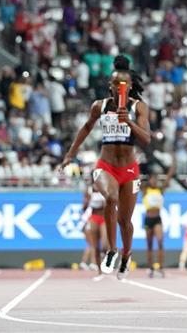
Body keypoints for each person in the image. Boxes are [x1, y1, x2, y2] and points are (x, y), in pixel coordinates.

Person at [57, 55, 151, 280]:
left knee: (125, 221)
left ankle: (126, 255)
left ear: (129, 87)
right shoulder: (99, 106)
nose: (119, 88)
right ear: (110, 86)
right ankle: (112, 249)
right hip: (105, 165)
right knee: (110, 197)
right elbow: (85, 128)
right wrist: (70, 154)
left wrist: (128, 121)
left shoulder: (138, 107)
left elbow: (146, 138)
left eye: (123, 85)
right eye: (115, 84)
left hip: (129, 169)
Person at [80, 182, 107, 280]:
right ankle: (99, 270)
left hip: (104, 218)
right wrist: (87, 200)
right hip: (94, 218)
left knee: (104, 244)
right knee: (94, 245)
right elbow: (84, 208)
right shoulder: (89, 191)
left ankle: (104, 258)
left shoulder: (105, 189)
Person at [143, 173, 168, 278]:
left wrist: (173, 163)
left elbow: (169, 177)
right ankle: (150, 267)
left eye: (155, 180)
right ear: (149, 180)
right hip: (148, 219)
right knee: (149, 244)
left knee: (160, 241)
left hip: (158, 219)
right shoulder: (145, 190)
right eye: (152, 179)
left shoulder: (160, 190)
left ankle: (161, 267)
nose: (154, 181)